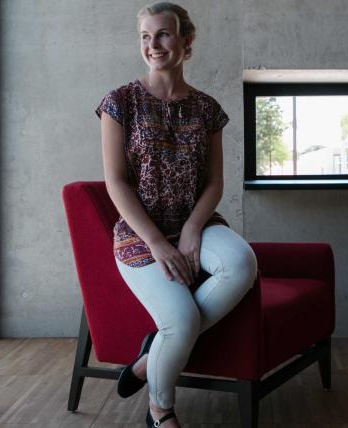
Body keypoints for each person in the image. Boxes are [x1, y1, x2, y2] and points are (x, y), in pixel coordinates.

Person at [94, 3, 258, 427]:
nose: (153, 45)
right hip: (139, 232)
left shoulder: (208, 109)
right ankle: (160, 411)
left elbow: (215, 183)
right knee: (181, 319)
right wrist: (156, 242)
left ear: (187, 40)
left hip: (195, 222)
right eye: (146, 37)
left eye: (163, 34)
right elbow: (116, 183)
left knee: (242, 263)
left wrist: (191, 229)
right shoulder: (119, 103)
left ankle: (151, 357)